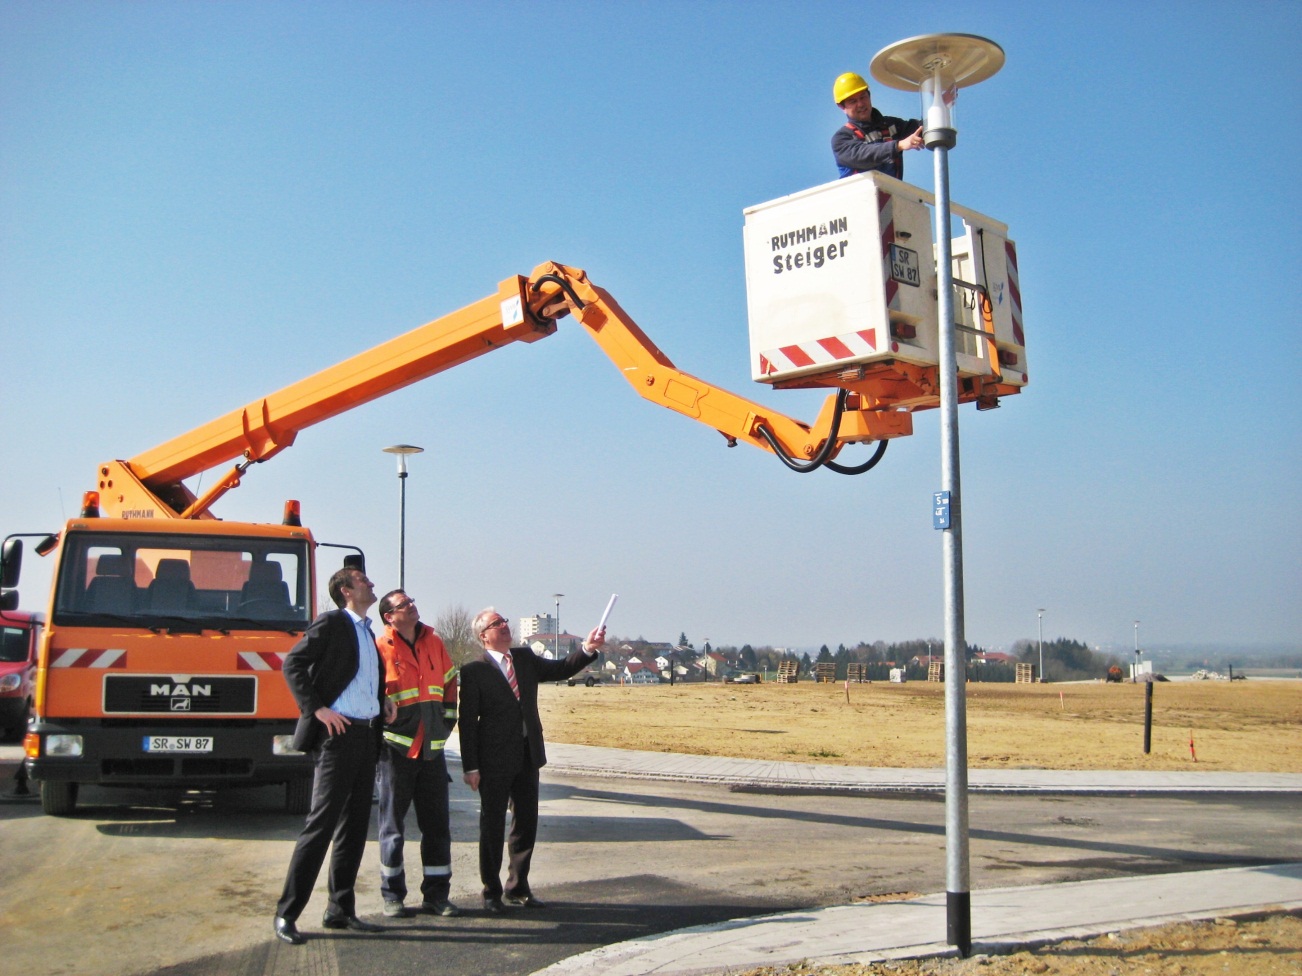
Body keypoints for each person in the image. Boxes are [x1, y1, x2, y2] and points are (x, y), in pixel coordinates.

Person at [273, 567, 396, 946]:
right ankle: (286, 914)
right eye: (363, 581)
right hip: (336, 738)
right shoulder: (332, 622)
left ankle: (340, 909)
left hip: (365, 736)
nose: (372, 584)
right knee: (321, 826)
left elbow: (360, 678)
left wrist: (382, 701)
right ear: (346, 590)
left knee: (354, 828)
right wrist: (318, 709)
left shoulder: (367, 631)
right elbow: (291, 664)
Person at [458, 608, 606, 912]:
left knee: (526, 823)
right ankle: (491, 891)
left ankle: (518, 887)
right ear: (483, 635)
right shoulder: (474, 671)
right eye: (496, 624)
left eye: (504, 621)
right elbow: (468, 722)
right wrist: (470, 766)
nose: (504, 626)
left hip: (527, 755)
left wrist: (588, 648)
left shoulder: (523, 659)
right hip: (493, 760)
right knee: (493, 824)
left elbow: (561, 668)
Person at [373, 588, 461, 918]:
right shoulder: (379, 647)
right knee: (393, 829)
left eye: (411, 602)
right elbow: (372, 692)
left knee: (437, 827)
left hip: (431, 752)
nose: (412, 606)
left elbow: (450, 684)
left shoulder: (434, 643)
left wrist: (445, 725)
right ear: (389, 617)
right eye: (403, 605)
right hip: (395, 750)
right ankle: (392, 896)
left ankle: (437, 896)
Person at [830, 71, 925, 179]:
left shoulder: (890, 125)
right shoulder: (842, 139)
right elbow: (864, 156)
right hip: (860, 195)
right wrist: (898, 145)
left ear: (869, 96)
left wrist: (940, 105)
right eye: (853, 101)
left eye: (863, 97)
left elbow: (924, 129)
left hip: (891, 194)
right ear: (842, 107)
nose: (860, 104)